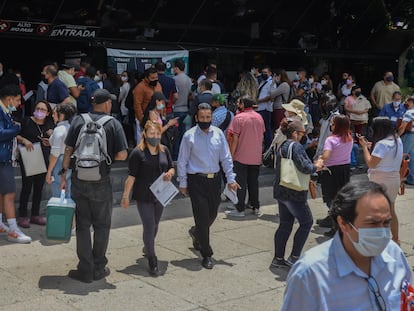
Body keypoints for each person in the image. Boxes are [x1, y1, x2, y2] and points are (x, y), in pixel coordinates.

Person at [281, 180, 412, 311]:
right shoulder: (310, 275)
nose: (382, 231)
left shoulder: (394, 254)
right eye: (372, 223)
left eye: (386, 222)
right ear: (343, 223)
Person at [59, 88, 128, 283]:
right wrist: (105, 159)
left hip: (79, 180)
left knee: (82, 226)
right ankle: (98, 267)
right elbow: (122, 155)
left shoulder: (78, 121)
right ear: (106, 103)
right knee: (102, 225)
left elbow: (68, 149)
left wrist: (64, 173)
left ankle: (85, 269)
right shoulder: (113, 123)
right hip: (101, 181)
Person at [177, 103, 239, 269]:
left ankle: (196, 232)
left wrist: (231, 179)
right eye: (202, 118)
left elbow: (226, 158)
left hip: (214, 180)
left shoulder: (218, 134)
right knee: (202, 216)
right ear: (196, 118)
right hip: (196, 180)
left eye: (208, 118)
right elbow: (182, 161)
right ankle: (207, 253)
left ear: (212, 118)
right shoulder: (189, 136)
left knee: (211, 215)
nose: (205, 120)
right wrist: (183, 183)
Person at [121, 120, 175, 276]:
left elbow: (171, 166)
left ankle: (148, 244)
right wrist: (126, 196)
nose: (155, 136)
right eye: (152, 134)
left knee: (155, 224)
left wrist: (170, 173)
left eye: (158, 134)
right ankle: (152, 258)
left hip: (161, 193)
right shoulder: (137, 153)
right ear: (145, 134)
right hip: (143, 194)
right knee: (149, 224)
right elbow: (131, 177)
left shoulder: (164, 150)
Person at [271, 120, 324, 268]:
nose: (303, 136)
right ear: (295, 133)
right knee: (306, 222)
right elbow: (305, 168)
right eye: (302, 133)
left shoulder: (282, 145)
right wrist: (317, 166)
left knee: (285, 224)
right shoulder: (296, 146)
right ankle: (294, 257)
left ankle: (278, 258)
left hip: (281, 189)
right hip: (294, 192)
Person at [358, 117, 403, 244]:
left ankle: (376, 240)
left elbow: (371, 164)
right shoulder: (397, 140)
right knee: (391, 210)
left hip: (380, 179)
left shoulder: (382, 144)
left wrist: (364, 148)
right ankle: (395, 239)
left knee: (376, 211)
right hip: (394, 178)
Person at [0, 84, 32, 243]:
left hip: (4, 158)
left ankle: (0, 223)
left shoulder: (5, 111)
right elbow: (1, 133)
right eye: (18, 100)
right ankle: (13, 230)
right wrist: (16, 129)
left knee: (2, 193)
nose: (19, 103)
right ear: (9, 98)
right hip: (2, 159)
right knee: (10, 194)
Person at [16, 100, 54, 228]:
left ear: (48, 113)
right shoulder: (26, 121)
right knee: (27, 186)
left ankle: (35, 214)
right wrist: (24, 140)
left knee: (39, 187)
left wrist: (49, 140)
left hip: (43, 156)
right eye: (38, 108)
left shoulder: (49, 125)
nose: (40, 111)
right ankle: (22, 215)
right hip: (28, 156)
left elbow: (54, 140)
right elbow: (15, 134)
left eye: (43, 110)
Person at [225, 96, 265, 217]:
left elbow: (234, 139)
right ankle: (255, 206)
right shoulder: (259, 117)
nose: (237, 104)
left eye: (239, 102)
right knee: (253, 182)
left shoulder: (239, 118)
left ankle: (240, 208)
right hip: (256, 156)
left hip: (241, 155)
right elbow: (262, 136)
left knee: (240, 183)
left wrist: (231, 156)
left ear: (243, 104)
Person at [318, 114, 353, 237]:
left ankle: (336, 225)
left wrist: (320, 159)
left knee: (331, 198)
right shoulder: (349, 138)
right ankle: (337, 222)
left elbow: (326, 156)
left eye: (333, 124)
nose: (331, 126)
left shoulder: (330, 140)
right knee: (341, 198)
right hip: (344, 170)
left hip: (331, 171)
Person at [46, 103, 76, 198]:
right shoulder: (72, 128)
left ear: (61, 115)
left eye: (54, 113)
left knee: (58, 191)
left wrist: (49, 171)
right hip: (71, 160)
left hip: (60, 161)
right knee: (68, 191)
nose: (52, 115)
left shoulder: (59, 129)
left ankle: (59, 213)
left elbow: (55, 154)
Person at [132, 67, 162, 144]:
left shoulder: (158, 85)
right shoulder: (140, 87)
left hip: (156, 118)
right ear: (146, 78)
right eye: (152, 78)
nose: (155, 79)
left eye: (156, 77)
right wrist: (142, 120)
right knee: (142, 141)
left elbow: (161, 101)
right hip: (144, 118)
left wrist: (163, 115)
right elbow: (137, 105)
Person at [172, 59, 192, 160]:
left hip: (176, 109)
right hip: (185, 109)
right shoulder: (189, 80)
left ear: (176, 67)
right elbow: (190, 95)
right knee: (184, 134)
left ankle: (175, 154)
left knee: (175, 133)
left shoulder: (174, 79)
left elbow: (174, 96)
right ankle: (183, 154)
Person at [398, 96, 414, 185]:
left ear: (409, 101)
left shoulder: (409, 112)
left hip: (409, 135)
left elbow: (402, 127)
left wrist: (397, 136)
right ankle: (411, 178)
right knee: (412, 156)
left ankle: (398, 177)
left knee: (401, 155)